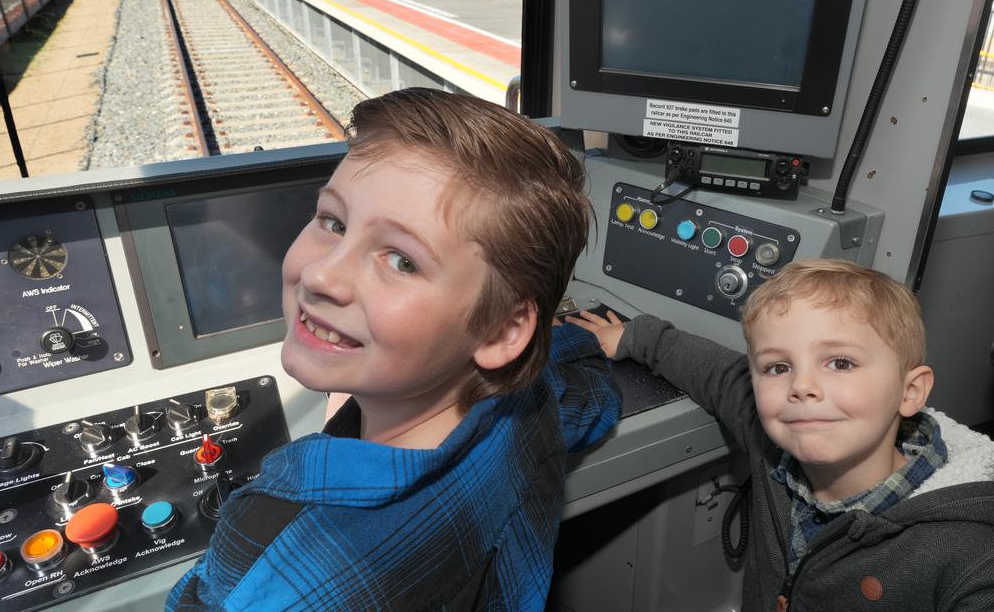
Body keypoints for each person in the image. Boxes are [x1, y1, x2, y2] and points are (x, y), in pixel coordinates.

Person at [166, 88, 622, 612]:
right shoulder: (529, 409)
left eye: (402, 261)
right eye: (334, 223)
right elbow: (589, 393)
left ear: (500, 332)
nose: (320, 275)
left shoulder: (272, 547)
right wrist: (594, 341)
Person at [568, 258, 994, 611]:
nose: (801, 385)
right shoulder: (772, 439)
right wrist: (631, 335)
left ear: (910, 391)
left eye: (840, 362)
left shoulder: (968, 549)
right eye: (778, 367)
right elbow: (716, 370)